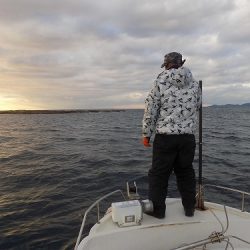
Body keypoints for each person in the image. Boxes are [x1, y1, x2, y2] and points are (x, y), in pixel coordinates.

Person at [142, 52, 201, 218]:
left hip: (165, 138)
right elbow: (197, 105)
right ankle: (189, 209)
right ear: (181, 63)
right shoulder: (195, 84)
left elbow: (151, 109)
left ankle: (158, 211)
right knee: (185, 172)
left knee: (159, 175)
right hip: (187, 138)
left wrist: (147, 134)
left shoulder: (160, 81)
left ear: (166, 64)